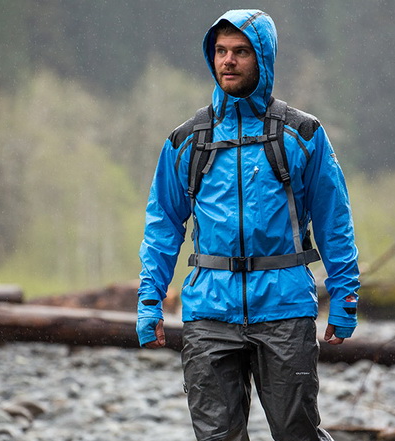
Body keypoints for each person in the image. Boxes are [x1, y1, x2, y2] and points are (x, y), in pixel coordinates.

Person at [136, 9, 360, 441]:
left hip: (284, 309)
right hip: (208, 313)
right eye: (220, 51)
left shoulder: (302, 135)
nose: (228, 61)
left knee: (297, 432)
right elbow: (163, 224)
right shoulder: (188, 140)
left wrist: (345, 296)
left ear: (263, 57)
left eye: (240, 52)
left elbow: (335, 221)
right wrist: (150, 300)